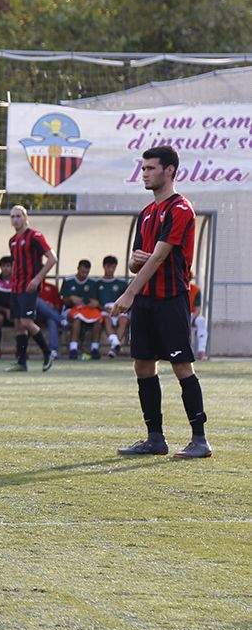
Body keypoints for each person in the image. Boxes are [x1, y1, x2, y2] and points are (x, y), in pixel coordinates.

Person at [112, 146, 210, 458]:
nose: (144, 174)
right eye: (143, 169)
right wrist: (134, 262)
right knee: (143, 365)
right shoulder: (146, 213)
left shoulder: (181, 208)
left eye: (151, 168)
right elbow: (137, 260)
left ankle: (200, 440)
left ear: (169, 171)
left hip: (171, 299)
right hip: (146, 301)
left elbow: (157, 258)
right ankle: (155, 439)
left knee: (181, 366)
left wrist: (129, 293)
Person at [5, 206, 57, 372]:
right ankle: (22, 362)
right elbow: (16, 263)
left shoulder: (35, 236)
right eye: (12, 217)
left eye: (18, 216)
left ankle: (48, 353)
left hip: (29, 287)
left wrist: (37, 279)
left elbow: (52, 259)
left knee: (26, 321)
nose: (15, 220)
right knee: (18, 324)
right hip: (16, 287)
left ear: (25, 217)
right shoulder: (12, 241)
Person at [60, 259, 103, 361]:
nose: (84, 274)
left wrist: (96, 304)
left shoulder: (92, 283)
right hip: (70, 310)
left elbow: (97, 302)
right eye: (82, 272)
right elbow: (64, 301)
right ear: (78, 268)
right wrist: (71, 298)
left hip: (87, 310)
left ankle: (94, 349)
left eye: (86, 272)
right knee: (77, 319)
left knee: (98, 319)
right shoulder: (68, 280)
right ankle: (73, 349)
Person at [95, 254, 130, 358]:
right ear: (104, 266)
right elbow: (93, 302)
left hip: (119, 310)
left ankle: (114, 347)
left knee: (124, 320)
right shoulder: (97, 283)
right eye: (108, 267)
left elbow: (127, 299)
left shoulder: (121, 283)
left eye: (113, 267)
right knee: (106, 319)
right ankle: (116, 344)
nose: (110, 269)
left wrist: (118, 309)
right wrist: (103, 308)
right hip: (104, 311)